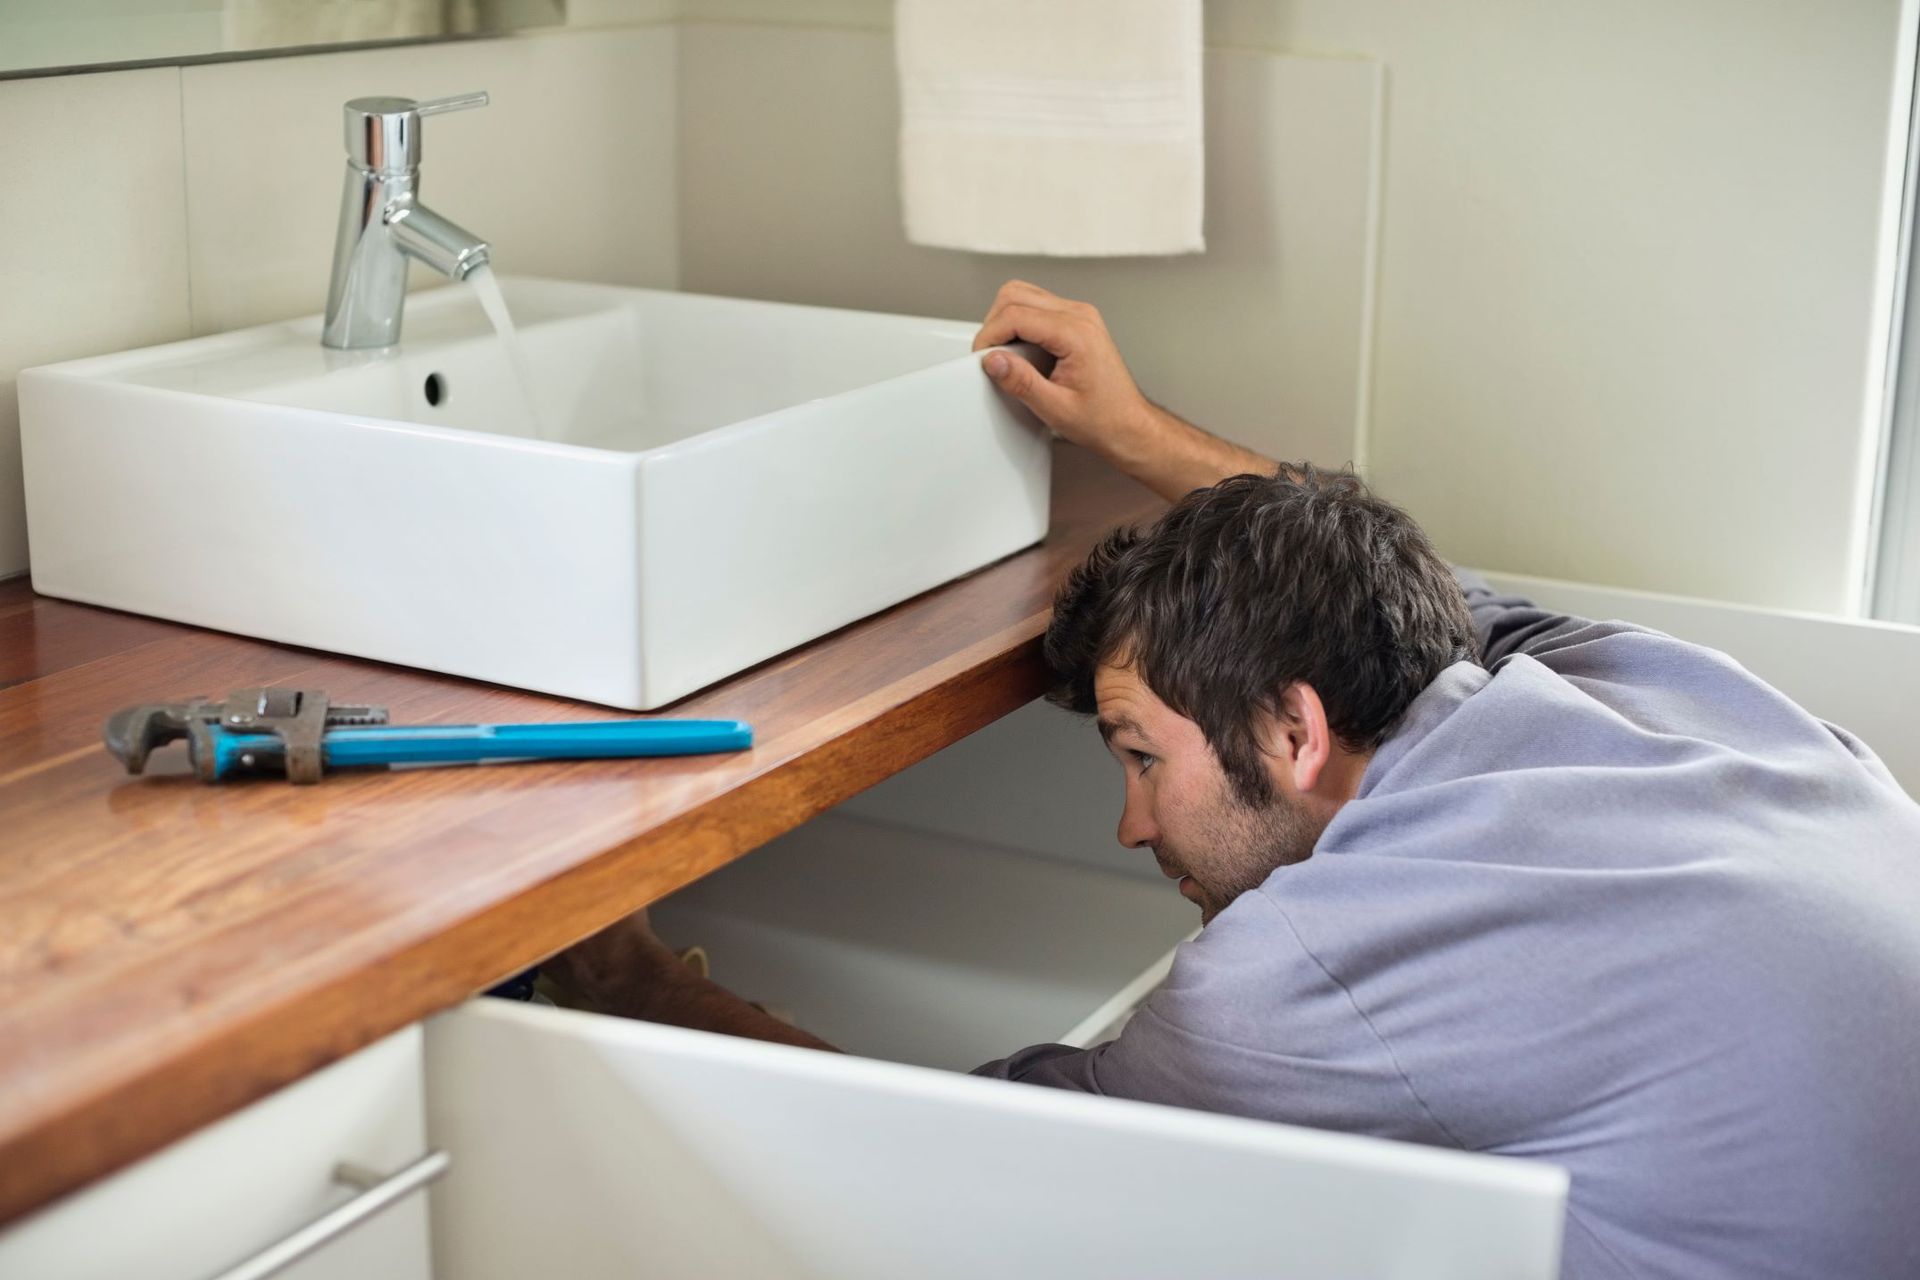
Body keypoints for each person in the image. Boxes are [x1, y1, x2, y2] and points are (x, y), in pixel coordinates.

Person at [547, 281, 1920, 1280]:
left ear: (1292, 731)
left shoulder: (1304, 972)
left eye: (1141, 755)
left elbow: (962, 1159)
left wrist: (625, 977)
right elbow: (1393, 574)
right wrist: (1132, 429)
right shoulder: (1642, 687)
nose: (1129, 822)